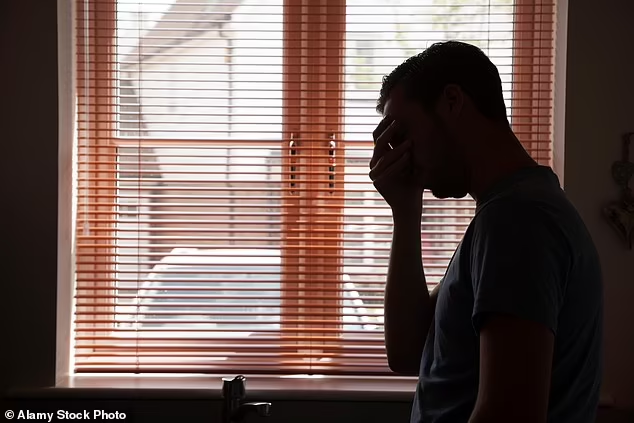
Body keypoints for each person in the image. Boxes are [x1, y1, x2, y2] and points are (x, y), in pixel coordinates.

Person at [369, 41, 603, 423]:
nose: (402, 154)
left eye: (405, 132)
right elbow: (408, 351)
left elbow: (509, 414)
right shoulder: (507, 213)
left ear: (452, 101)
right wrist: (406, 211)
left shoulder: (518, 220)